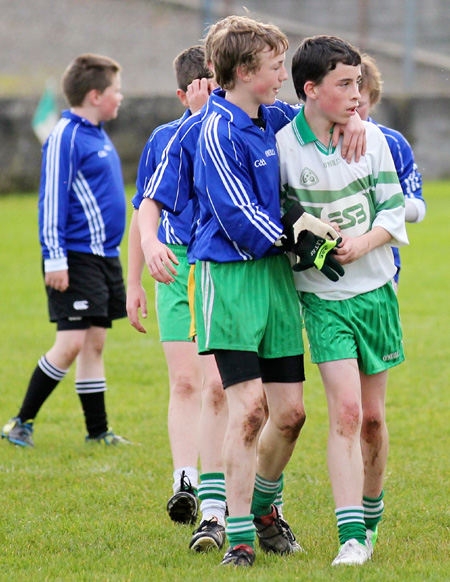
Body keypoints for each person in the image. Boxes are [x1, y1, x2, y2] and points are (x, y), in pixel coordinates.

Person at [140, 15, 366, 567]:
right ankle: (238, 537)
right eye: (272, 67)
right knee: (248, 409)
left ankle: (263, 508)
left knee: (290, 415)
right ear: (243, 72)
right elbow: (239, 218)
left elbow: (320, 115)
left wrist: (357, 120)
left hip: (274, 283)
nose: (281, 76)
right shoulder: (212, 130)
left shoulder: (274, 117)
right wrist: (308, 241)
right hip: (231, 281)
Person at [276, 35, 409, 566]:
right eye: (346, 85)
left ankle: (371, 521)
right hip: (323, 297)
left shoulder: (370, 138)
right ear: (310, 90)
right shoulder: (281, 146)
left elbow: (393, 214)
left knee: (374, 419)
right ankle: (351, 537)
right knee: (347, 412)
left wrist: (363, 243)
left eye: (359, 84)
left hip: (376, 292)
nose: (359, 95)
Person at [1, 54, 131, 448]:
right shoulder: (65, 136)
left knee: (94, 342)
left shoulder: (97, 131)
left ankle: (97, 432)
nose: (120, 97)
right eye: (115, 91)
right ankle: (20, 422)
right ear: (94, 95)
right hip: (74, 256)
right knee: (72, 342)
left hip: (102, 255)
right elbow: (51, 201)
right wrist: (55, 257)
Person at [127, 45, 228, 550]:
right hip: (174, 267)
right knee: (185, 382)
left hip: (221, 267)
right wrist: (133, 283)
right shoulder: (164, 138)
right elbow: (143, 208)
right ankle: (184, 481)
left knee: (218, 384)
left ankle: (221, 489)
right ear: (182, 92)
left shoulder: (235, 129)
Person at [357, 53, 426, 288]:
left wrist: (375, 201)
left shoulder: (392, 143)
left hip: (383, 267)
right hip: (326, 270)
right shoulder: (314, 140)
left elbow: (418, 208)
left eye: (360, 105)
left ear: (373, 99)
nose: (352, 111)